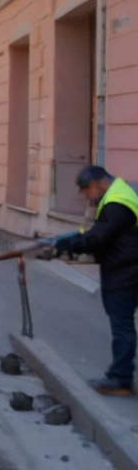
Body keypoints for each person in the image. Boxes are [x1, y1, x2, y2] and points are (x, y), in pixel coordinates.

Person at [49, 166, 138, 396]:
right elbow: (99, 231)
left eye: (87, 191)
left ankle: (120, 380)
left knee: (122, 325)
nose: (87, 197)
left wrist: (66, 244)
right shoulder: (120, 193)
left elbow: (98, 238)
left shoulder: (116, 202)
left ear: (99, 183)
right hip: (127, 267)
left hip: (124, 272)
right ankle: (121, 375)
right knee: (124, 324)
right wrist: (72, 237)